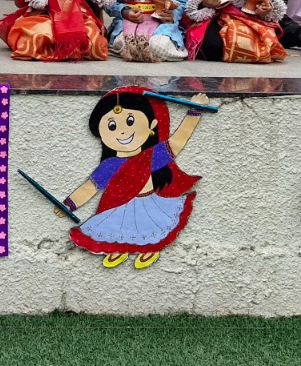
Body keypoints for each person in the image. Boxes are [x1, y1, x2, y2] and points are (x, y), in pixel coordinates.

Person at [62, 88, 210, 269]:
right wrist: (69, 204)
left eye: (130, 121)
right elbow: (91, 187)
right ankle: (118, 248)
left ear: (152, 125)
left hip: (149, 203)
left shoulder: (153, 156)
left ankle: (150, 248)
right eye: (112, 126)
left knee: (152, 227)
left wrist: (195, 111)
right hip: (117, 207)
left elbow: (177, 141)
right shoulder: (109, 165)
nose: (122, 132)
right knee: (116, 229)